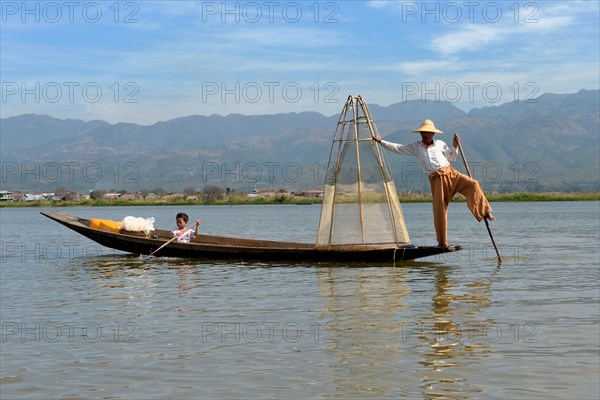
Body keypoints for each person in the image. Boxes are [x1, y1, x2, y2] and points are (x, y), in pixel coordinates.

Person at [372, 119, 495, 247]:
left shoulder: (440, 144)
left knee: (473, 184)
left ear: (432, 134)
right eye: (423, 133)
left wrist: (455, 146)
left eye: (427, 133)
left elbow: (452, 157)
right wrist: (381, 142)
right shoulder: (416, 147)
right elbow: (398, 148)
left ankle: (485, 212)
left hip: (451, 174)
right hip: (436, 180)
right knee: (439, 210)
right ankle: (442, 242)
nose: (424, 135)